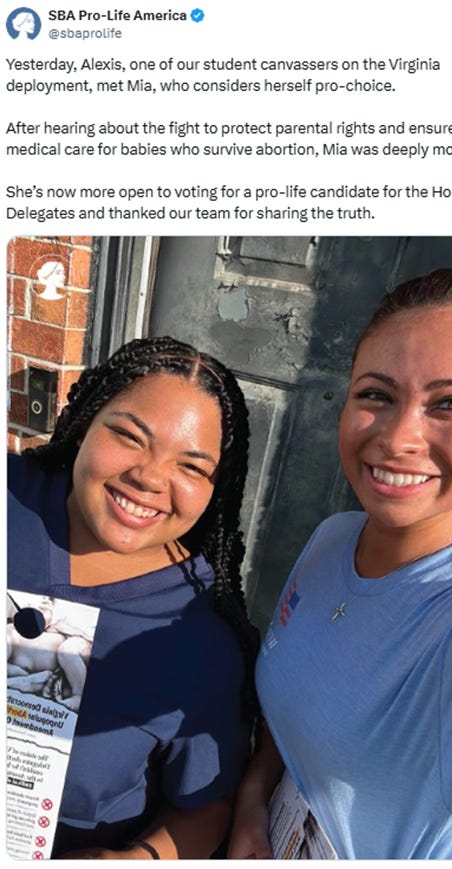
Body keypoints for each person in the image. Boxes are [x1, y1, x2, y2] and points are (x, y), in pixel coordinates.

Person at [227, 267, 452, 860]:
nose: (399, 437)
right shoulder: (333, 538)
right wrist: (254, 796)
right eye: (377, 394)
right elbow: (296, 704)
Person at [8, 335, 259, 859]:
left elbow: (207, 804)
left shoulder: (199, 644)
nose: (149, 477)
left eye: (192, 467)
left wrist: (138, 859)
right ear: (85, 424)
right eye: (128, 435)